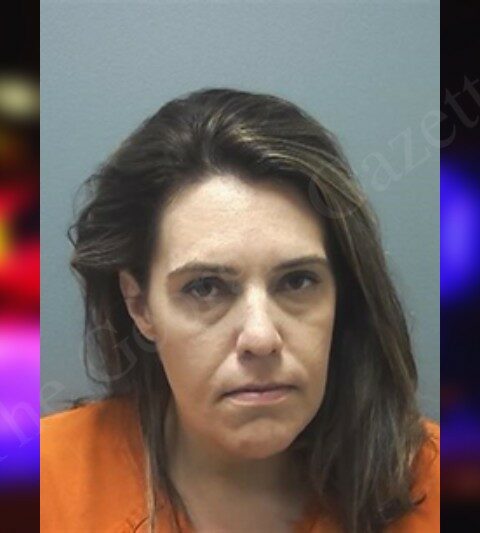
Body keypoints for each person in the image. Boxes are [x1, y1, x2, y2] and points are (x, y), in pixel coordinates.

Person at [40, 88, 439, 533]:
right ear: (140, 306)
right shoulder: (40, 484)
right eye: (205, 287)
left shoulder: (437, 482)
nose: (261, 338)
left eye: (297, 281)